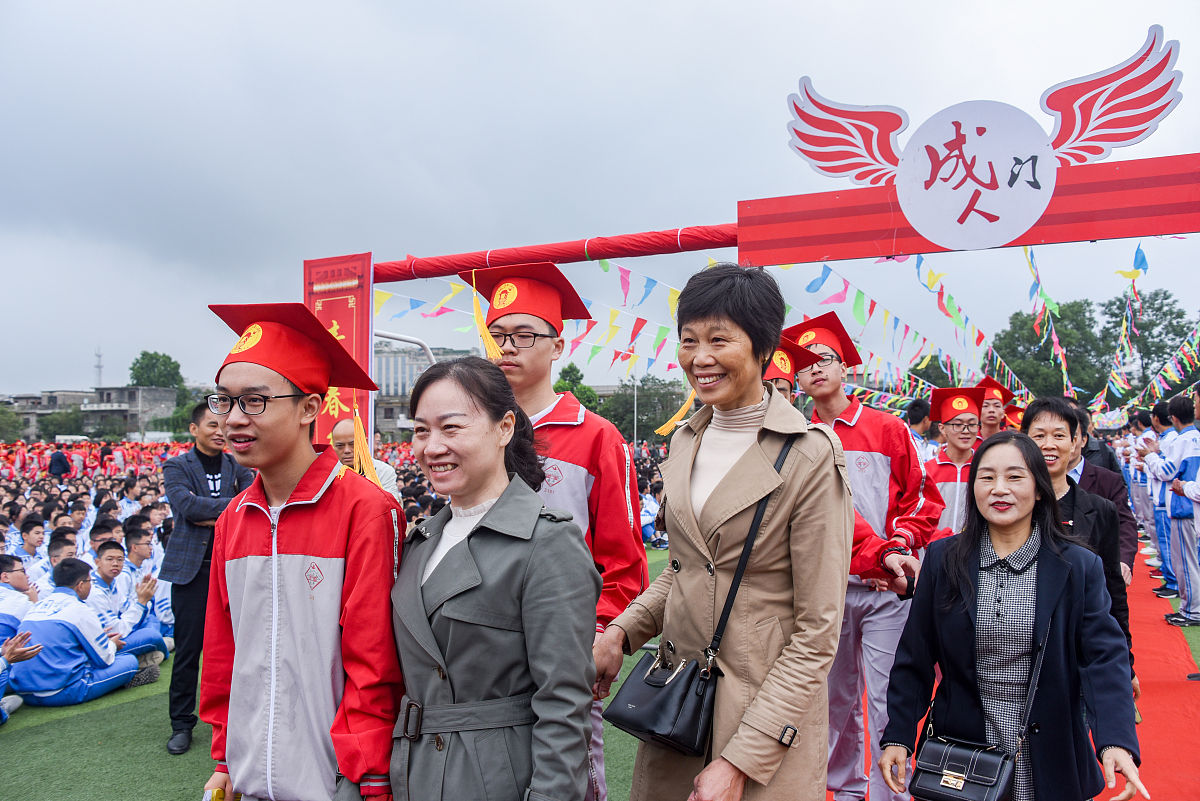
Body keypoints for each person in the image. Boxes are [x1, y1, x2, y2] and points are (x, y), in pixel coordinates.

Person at [594, 264, 855, 801]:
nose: (700, 358)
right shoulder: (687, 440)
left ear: (763, 349)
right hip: (678, 707)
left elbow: (817, 632)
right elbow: (688, 571)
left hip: (763, 720)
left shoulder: (809, 455)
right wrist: (621, 632)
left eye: (719, 339)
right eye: (689, 340)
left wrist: (741, 761)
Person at [199, 302, 404, 801]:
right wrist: (225, 756)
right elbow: (223, 652)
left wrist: (370, 773)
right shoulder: (233, 519)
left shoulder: (365, 510)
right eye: (223, 401)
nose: (232, 419)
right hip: (249, 774)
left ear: (309, 408)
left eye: (254, 401)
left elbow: (374, 662)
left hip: (332, 777)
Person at [460, 261, 647, 801]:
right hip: (482, 643)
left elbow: (624, 560)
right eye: (497, 336)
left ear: (557, 345)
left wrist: (601, 634)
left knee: (568, 777)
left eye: (524, 335)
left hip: (563, 648)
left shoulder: (596, 438)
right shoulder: (473, 431)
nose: (507, 348)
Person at [879, 432, 1146, 801]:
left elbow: (1104, 658)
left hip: (1049, 747)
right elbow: (915, 656)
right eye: (986, 477)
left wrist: (1115, 740)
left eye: (1015, 477)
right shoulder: (944, 559)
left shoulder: (1078, 566)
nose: (999, 489)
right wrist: (899, 732)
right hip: (963, 746)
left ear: (1039, 489)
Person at [391, 356, 601, 800]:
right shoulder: (421, 541)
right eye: (421, 430)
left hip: (498, 777)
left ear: (505, 428)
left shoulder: (548, 541)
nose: (431, 447)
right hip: (414, 773)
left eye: (451, 428)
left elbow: (564, 704)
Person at [791, 311, 945, 801]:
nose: (815, 369)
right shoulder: (797, 437)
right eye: (805, 364)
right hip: (824, 592)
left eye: (826, 360)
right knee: (831, 701)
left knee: (885, 698)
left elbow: (921, 499)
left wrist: (896, 549)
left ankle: (890, 792)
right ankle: (845, 788)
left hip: (885, 590)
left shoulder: (886, 428)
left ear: (846, 369)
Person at [160, 401, 255, 755]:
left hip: (233, 563)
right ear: (194, 429)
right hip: (191, 571)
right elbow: (186, 506)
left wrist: (214, 511)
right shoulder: (176, 465)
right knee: (188, 650)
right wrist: (227, 508)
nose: (221, 432)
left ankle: (236, 718)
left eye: (224, 426)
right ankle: (181, 723)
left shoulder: (239, 463)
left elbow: (248, 501)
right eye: (212, 425)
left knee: (240, 646)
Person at [1022, 397, 1134, 688]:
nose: (1048, 444)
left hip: (1076, 653)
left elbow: (1113, 592)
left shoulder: (1100, 510)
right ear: (1024, 442)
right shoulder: (1005, 506)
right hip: (1013, 653)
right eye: (1038, 436)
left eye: (1059, 435)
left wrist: (1126, 663)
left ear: (1076, 443)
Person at [10, 558, 157, 705]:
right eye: (89, 581)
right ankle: (124, 680)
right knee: (129, 661)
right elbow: (104, 659)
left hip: (25, 693)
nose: (91, 585)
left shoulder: (36, 606)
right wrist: (111, 643)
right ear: (80, 585)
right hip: (61, 691)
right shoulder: (79, 609)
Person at [1140, 393, 1200, 626]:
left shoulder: (1183, 440)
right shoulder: (1193, 437)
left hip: (1183, 504)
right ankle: (1190, 607)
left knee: (1185, 561)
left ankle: (1191, 610)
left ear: (1172, 418)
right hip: (1188, 504)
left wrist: (1151, 456)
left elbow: (1166, 471)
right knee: (1188, 560)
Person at [1065, 407, 1138, 585]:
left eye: (1069, 436)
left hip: (1097, 572)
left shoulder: (1107, 480)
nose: (1061, 443)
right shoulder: (1034, 480)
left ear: (1083, 439)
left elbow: (1124, 522)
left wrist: (1123, 561)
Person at [925, 387, 986, 534]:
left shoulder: (983, 470)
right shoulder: (928, 471)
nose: (965, 431)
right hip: (933, 549)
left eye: (972, 424)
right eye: (957, 424)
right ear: (942, 428)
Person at [329, 417, 401, 502]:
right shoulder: (328, 475)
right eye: (340, 446)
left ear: (365, 442)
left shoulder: (384, 472)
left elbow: (389, 507)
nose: (347, 450)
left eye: (353, 444)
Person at [975, 376, 1015, 441]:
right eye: (985, 406)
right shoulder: (970, 441)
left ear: (1003, 413)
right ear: (978, 412)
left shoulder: (1011, 441)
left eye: (997, 406)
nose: (991, 410)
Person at [904, 398, 938, 463]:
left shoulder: (906, 437)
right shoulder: (914, 441)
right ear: (925, 419)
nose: (931, 422)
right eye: (930, 419)